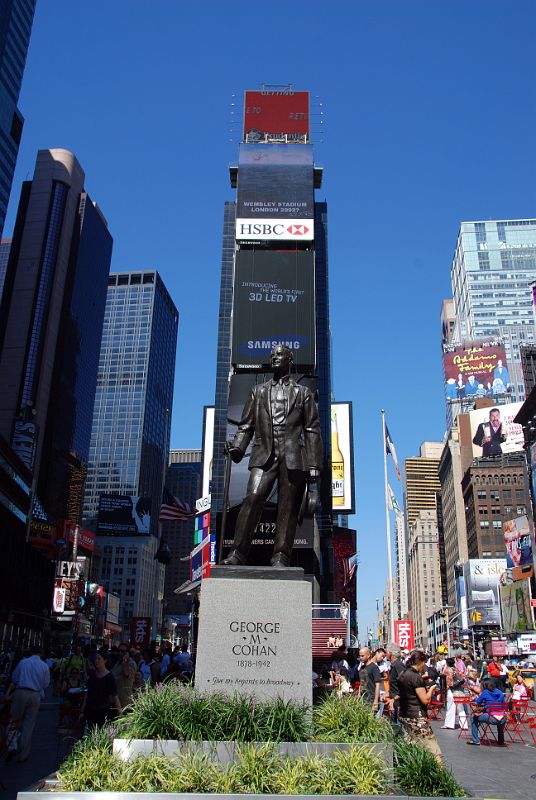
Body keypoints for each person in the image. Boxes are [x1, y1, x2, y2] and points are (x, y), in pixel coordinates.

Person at [221, 344, 322, 567]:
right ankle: (237, 553)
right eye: (272, 355)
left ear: (289, 359)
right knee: (253, 497)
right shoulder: (258, 391)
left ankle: (280, 556)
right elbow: (246, 425)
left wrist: (314, 468)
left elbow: (312, 430)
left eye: (279, 355)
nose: (274, 358)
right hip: (264, 454)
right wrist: (237, 448)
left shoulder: (303, 393)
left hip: (293, 457)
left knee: (287, 507)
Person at [7, 644, 50, 762]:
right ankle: (23, 754)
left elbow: (14, 678)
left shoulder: (23, 662)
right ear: (40, 653)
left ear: (30, 652)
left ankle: (12, 746)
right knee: (29, 724)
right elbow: (46, 684)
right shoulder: (44, 666)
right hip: (35, 695)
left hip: (21, 692)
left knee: (14, 720)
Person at [398, 649, 442, 764]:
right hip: (417, 717)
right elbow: (425, 700)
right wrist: (432, 689)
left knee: (412, 749)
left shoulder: (402, 674)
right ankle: (440, 777)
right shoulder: (416, 677)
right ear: (421, 662)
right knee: (433, 750)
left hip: (404, 714)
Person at [79, 653, 120, 727]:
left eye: (99, 659)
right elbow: (88, 693)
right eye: (95, 659)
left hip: (103, 712)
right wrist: (82, 710)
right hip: (90, 711)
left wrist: (120, 714)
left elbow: (115, 696)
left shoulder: (109, 677)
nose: (96, 661)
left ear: (105, 660)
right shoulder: (93, 675)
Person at [468, 677, 507, 746]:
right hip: (502, 718)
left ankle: (475, 740)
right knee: (500, 719)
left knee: (474, 717)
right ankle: (501, 741)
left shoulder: (485, 692)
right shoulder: (500, 692)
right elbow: (503, 704)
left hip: (491, 717)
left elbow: (478, 702)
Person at [358, 647, 384, 716]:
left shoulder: (374, 667)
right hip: (363, 699)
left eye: (362, 656)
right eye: (360, 656)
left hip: (371, 699)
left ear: (368, 655)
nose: (360, 658)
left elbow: (378, 684)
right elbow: (361, 683)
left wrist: (375, 702)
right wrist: (359, 697)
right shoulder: (362, 668)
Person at [111, 643, 137, 709]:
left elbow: (126, 673)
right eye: (118, 651)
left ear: (127, 653)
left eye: (123, 651)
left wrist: (125, 660)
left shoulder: (131, 663)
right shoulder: (117, 663)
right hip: (116, 701)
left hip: (126, 703)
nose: (120, 653)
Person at [385, 642, 405, 723]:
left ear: (390, 653)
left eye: (386, 652)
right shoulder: (393, 666)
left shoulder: (398, 665)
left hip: (399, 704)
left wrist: (393, 699)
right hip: (395, 703)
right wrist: (387, 694)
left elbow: (404, 686)